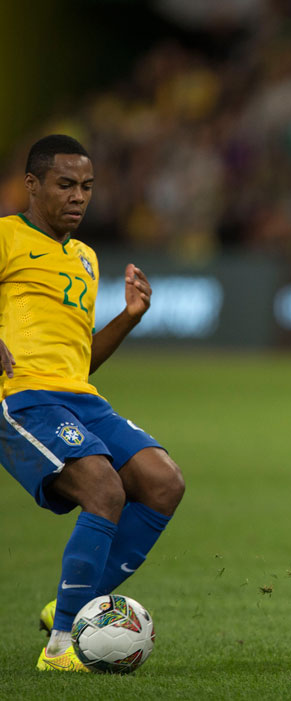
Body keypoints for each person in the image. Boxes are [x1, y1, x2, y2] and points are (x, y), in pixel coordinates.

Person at [0, 135, 185, 672]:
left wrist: (128, 317)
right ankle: (59, 650)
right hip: (22, 395)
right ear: (32, 184)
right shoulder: (7, 237)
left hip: (79, 395)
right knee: (104, 488)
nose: (78, 197)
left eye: (86, 187)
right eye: (65, 185)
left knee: (162, 481)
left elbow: (80, 364)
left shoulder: (85, 259)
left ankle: (70, 606)